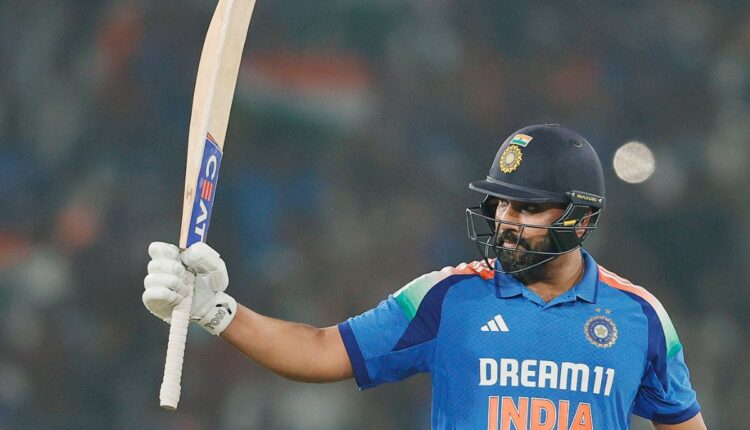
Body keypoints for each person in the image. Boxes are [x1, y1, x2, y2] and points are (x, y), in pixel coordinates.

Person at [143, 124, 707, 429]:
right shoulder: (448, 297)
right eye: (501, 205)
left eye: (528, 209)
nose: (505, 221)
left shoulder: (640, 317)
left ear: (580, 219)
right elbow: (320, 350)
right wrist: (216, 311)